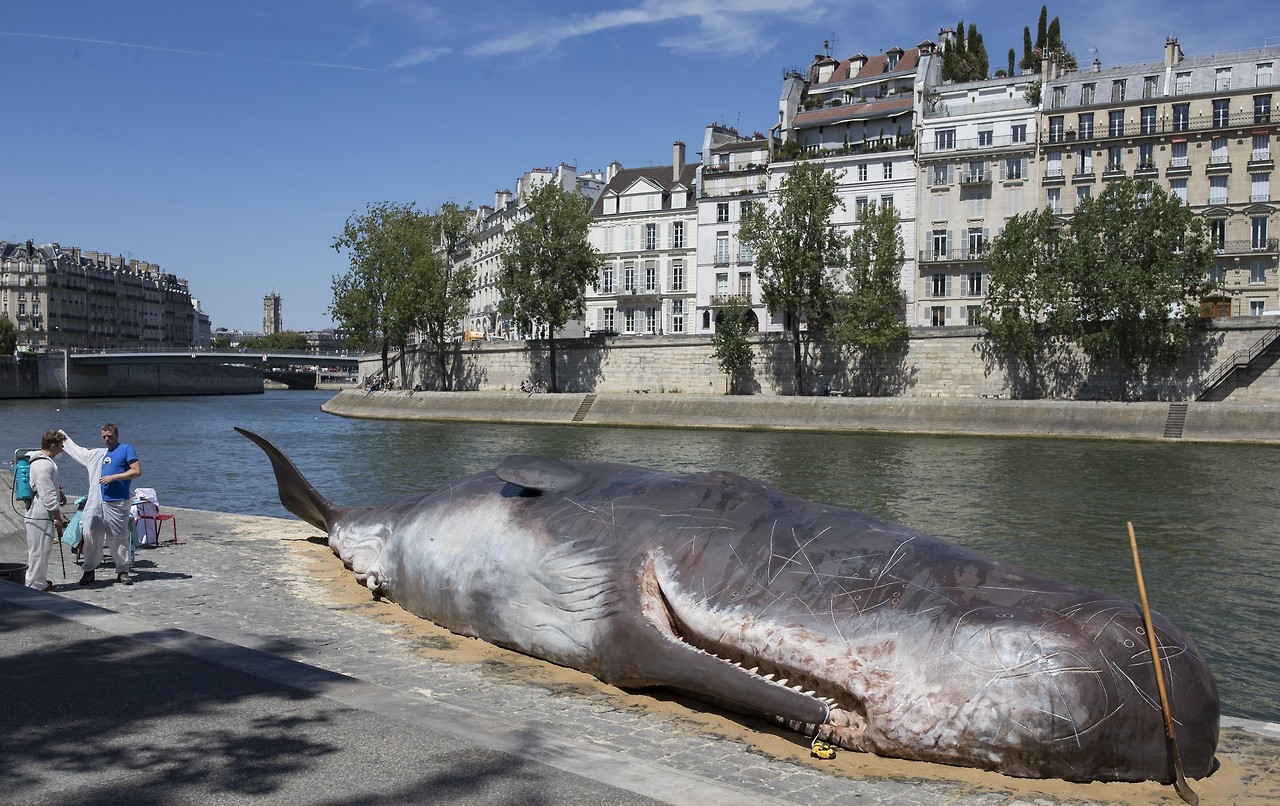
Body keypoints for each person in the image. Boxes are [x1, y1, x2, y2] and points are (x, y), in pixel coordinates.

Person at [59, 423, 142, 586]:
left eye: (109, 436)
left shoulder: (126, 449)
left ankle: (122, 570)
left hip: (116, 502)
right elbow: (77, 450)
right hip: (95, 501)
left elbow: (136, 471)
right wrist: (62, 436)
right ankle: (89, 570)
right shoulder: (95, 455)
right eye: (104, 436)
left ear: (116, 435)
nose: (106, 439)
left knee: (119, 536)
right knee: (90, 535)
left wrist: (114, 477)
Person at [22, 430, 66, 591]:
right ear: (53, 445)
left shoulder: (39, 460)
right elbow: (46, 493)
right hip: (40, 512)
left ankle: (38, 580)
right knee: (39, 548)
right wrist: (57, 516)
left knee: (42, 548)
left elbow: (47, 486)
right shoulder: (44, 464)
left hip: (37, 508)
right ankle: (35, 584)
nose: (62, 449)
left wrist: (59, 493)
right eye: (61, 445)